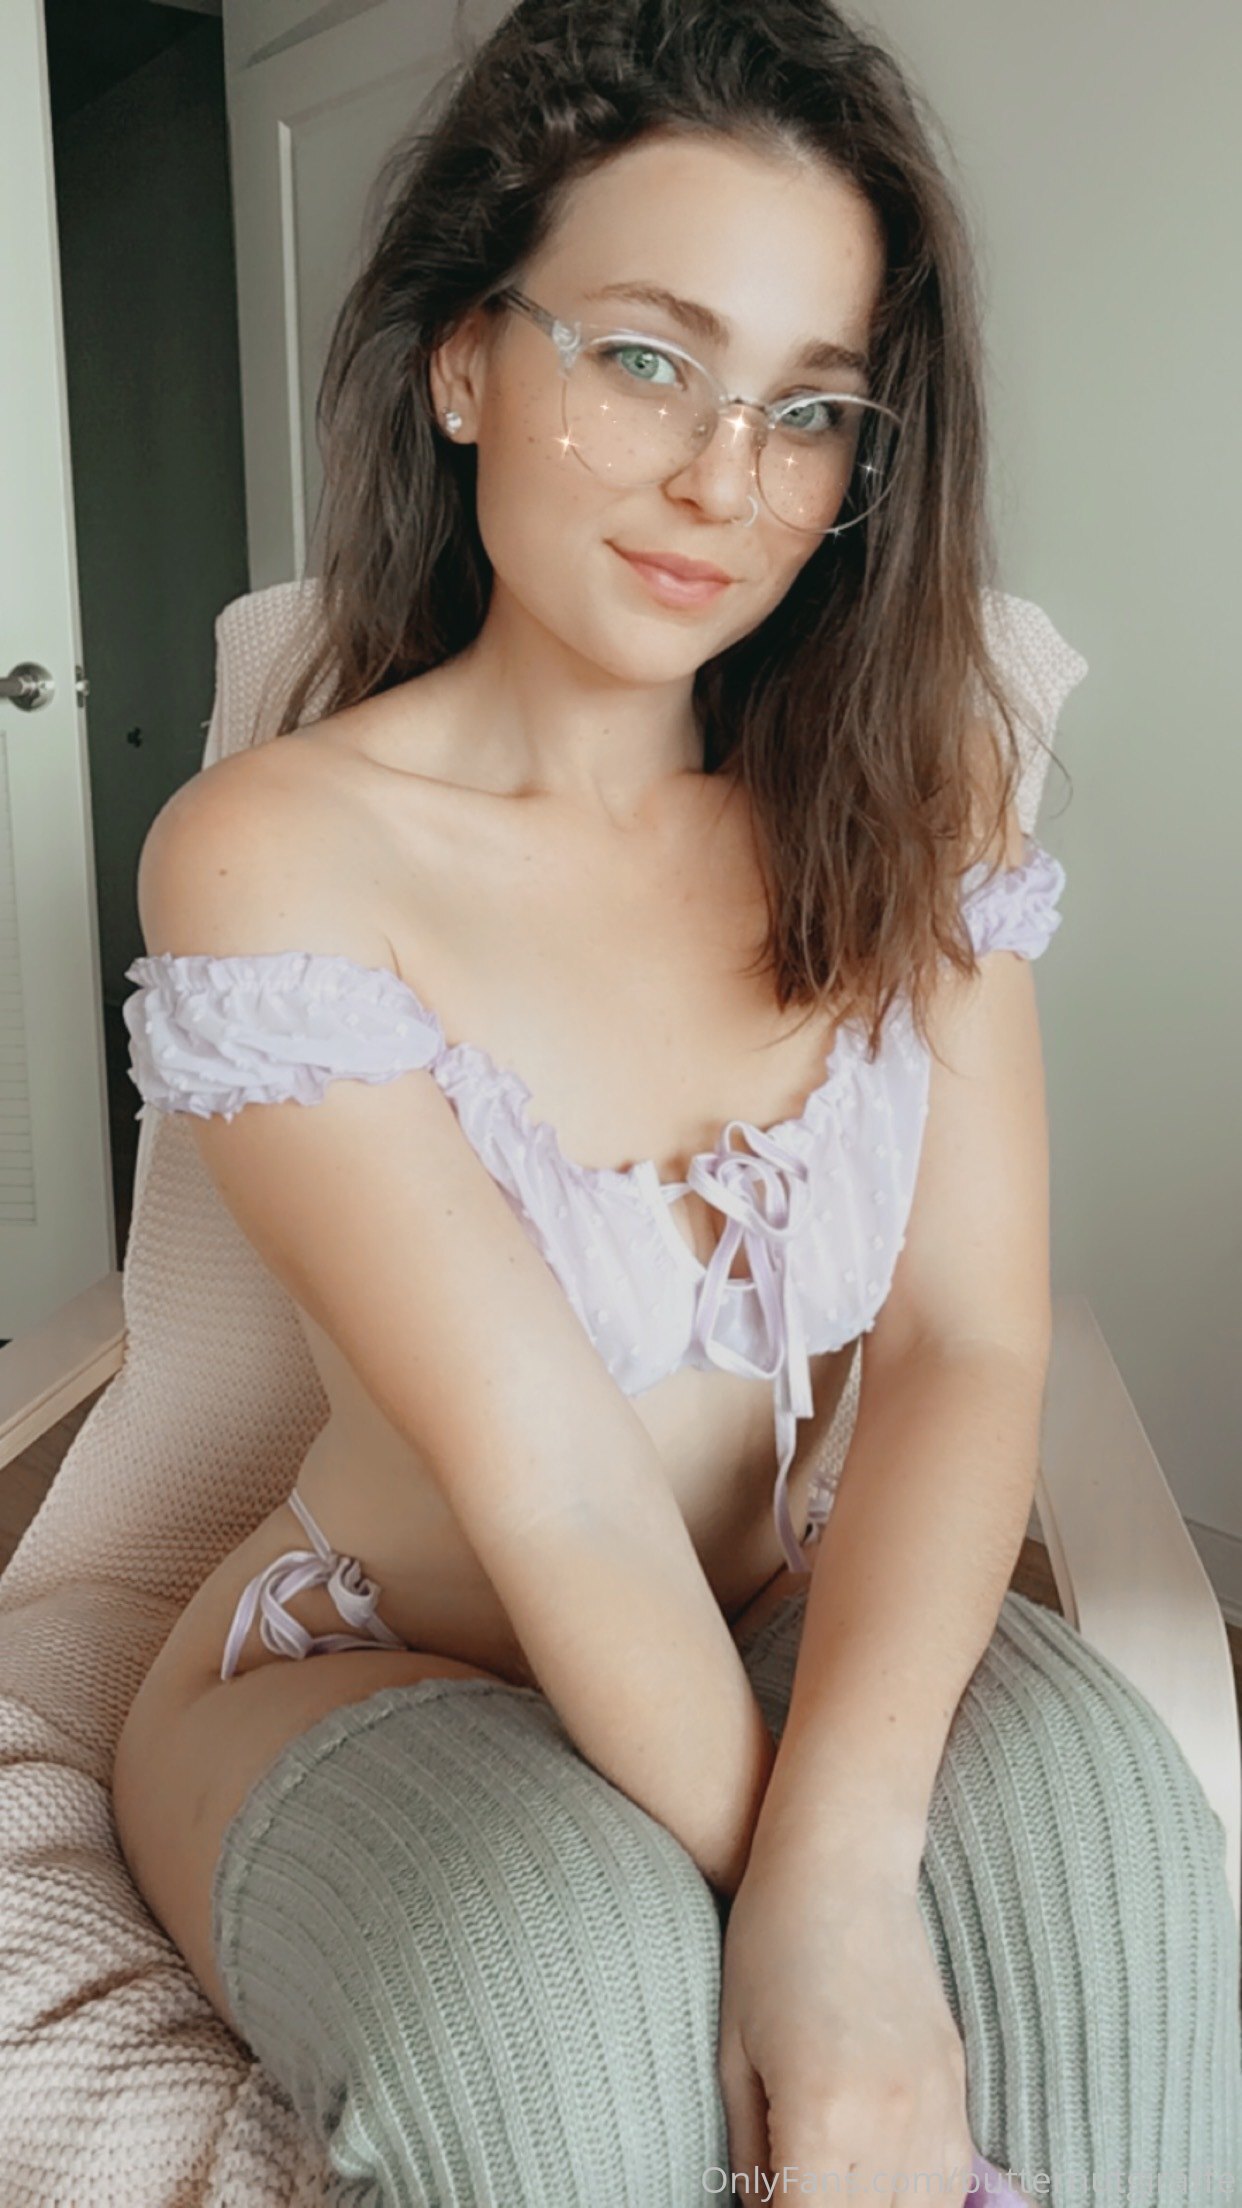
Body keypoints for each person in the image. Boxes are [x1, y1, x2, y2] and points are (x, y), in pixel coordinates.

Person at [111, 1, 1242, 2202]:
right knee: (568, 1982)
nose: (729, 480)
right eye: (646, 360)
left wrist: (845, 1875)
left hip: (778, 1604)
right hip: (375, 1671)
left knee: (1103, 1865)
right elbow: (552, 1486)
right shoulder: (275, 856)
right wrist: (814, 1938)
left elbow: (962, 1344)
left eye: (809, 407)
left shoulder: (915, 784)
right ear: (463, 360)